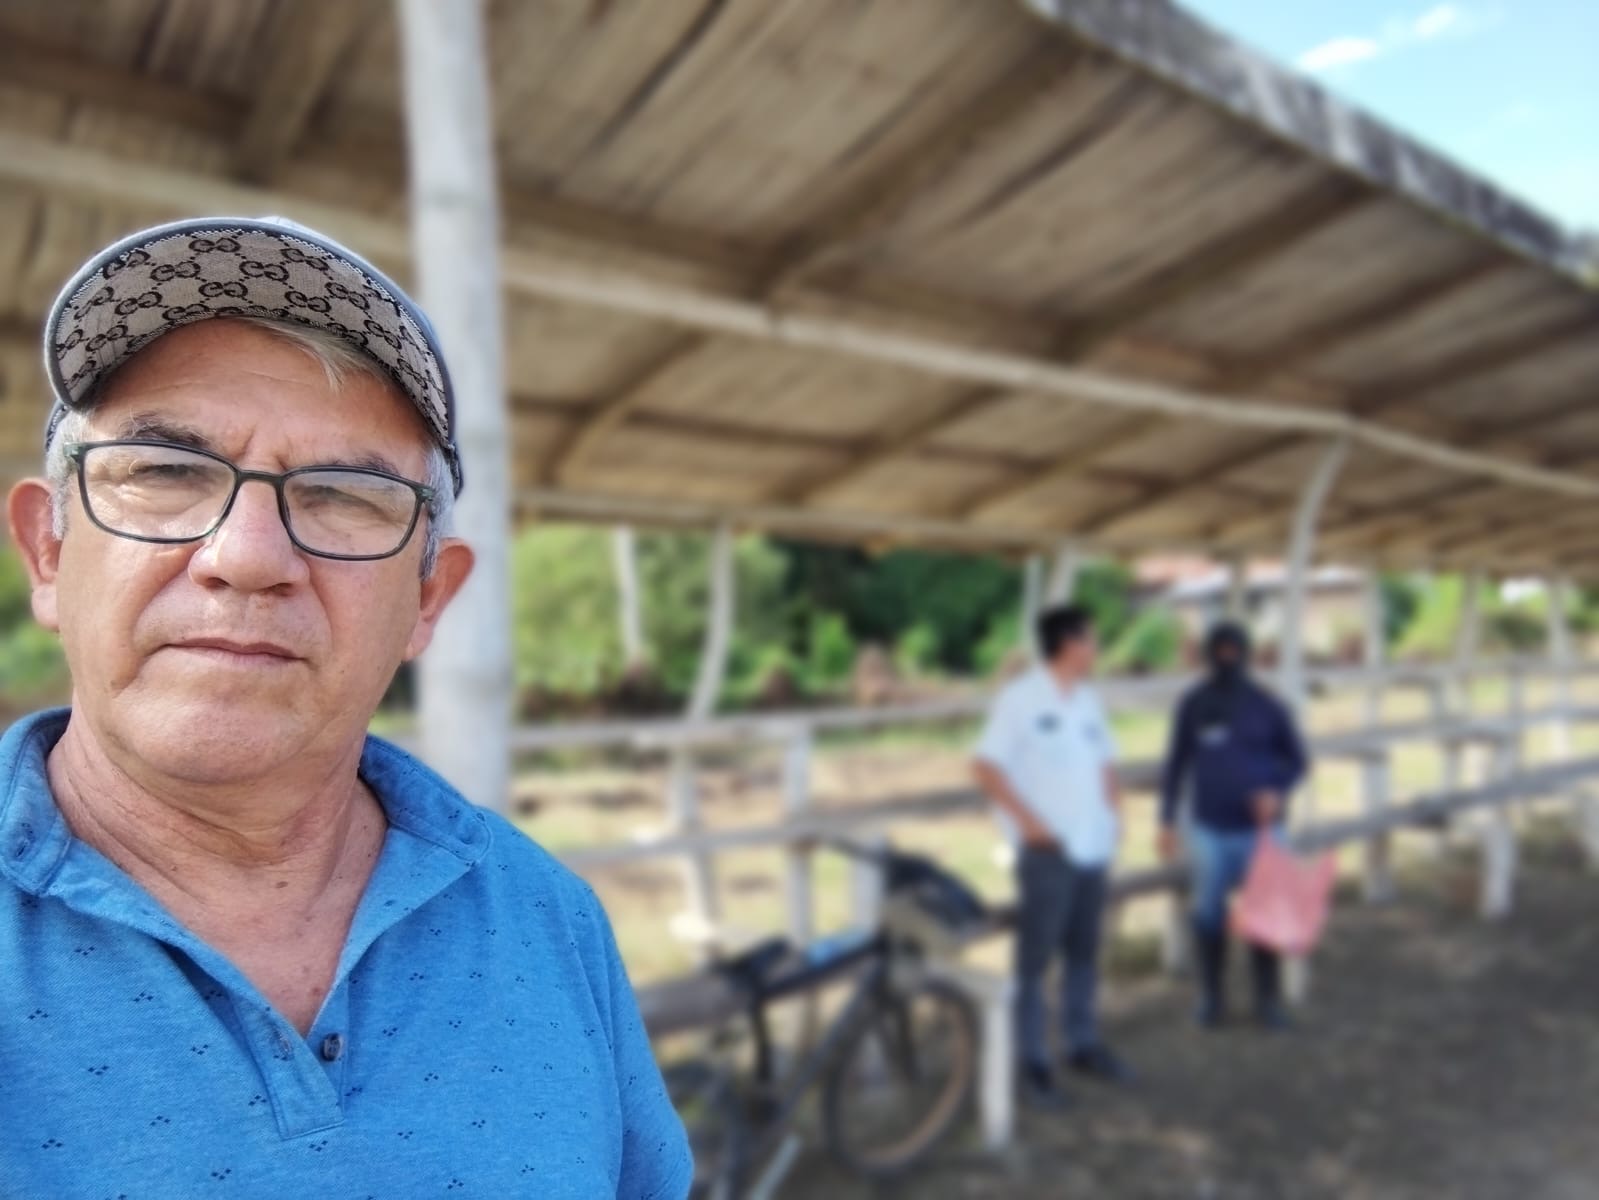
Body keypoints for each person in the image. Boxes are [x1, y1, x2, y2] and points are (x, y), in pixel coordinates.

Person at [0, 216, 691, 1197]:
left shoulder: (546, 915)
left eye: (341, 495)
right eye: (165, 471)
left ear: (428, 600)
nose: (246, 556)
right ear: (48, 552)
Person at [974, 604, 1128, 1109]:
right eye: (1091, 639)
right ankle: (1033, 1061)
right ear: (1067, 644)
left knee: (1084, 953)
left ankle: (1082, 1043)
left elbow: (1106, 760)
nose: (1096, 648)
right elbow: (986, 767)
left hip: (1093, 848)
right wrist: (1030, 825)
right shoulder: (1020, 699)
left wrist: (1113, 812)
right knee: (1035, 962)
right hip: (1049, 853)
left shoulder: (1088, 699)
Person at [1159, 620, 1309, 1031]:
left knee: (1267, 911)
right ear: (1208, 655)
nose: (1227, 658)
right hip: (1208, 829)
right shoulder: (1193, 704)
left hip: (1262, 831)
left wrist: (1276, 793)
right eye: (1220, 651)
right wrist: (1166, 820)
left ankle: (1267, 1001)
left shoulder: (1268, 705)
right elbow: (1175, 764)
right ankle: (1211, 998)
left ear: (1247, 654)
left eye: (1234, 650)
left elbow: (1298, 761)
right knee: (1208, 911)